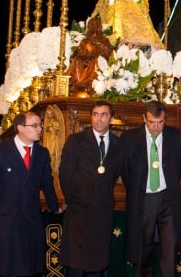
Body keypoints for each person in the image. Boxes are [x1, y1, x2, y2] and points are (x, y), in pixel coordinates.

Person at [0, 111, 61, 277]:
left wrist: (56, 208)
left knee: (30, 270)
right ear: (20, 127)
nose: (40, 129)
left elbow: (47, 185)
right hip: (4, 223)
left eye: (40, 125)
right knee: (5, 270)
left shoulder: (42, 153)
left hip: (31, 223)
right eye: (35, 125)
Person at [58, 101, 125, 277]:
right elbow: (65, 174)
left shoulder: (119, 145)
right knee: (76, 265)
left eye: (103, 114)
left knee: (97, 264)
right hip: (79, 212)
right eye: (95, 114)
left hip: (102, 212)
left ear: (111, 118)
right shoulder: (76, 140)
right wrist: (74, 200)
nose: (99, 119)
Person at [121, 101, 181, 277]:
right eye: (151, 122)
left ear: (166, 119)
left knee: (170, 248)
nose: (156, 127)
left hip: (168, 198)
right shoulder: (129, 139)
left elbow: (177, 169)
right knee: (143, 248)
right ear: (144, 119)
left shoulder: (177, 137)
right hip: (144, 198)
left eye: (160, 122)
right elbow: (126, 173)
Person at [66, 16, 114, 94]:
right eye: (91, 24)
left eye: (95, 24)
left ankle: (86, 82)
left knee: (95, 61)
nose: (93, 26)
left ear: (99, 26)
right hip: (85, 61)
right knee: (77, 60)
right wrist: (82, 54)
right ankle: (78, 82)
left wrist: (98, 45)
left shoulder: (104, 40)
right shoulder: (85, 40)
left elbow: (109, 53)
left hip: (99, 62)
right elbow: (79, 52)